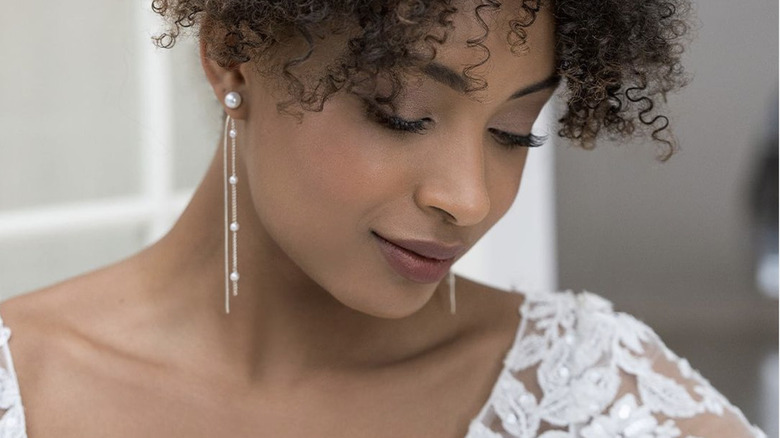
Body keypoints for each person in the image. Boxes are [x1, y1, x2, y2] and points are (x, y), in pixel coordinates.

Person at [0, 0, 766, 436]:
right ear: (233, 56)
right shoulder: (25, 389)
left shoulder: (593, 392)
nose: (469, 197)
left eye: (513, 132)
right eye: (401, 115)